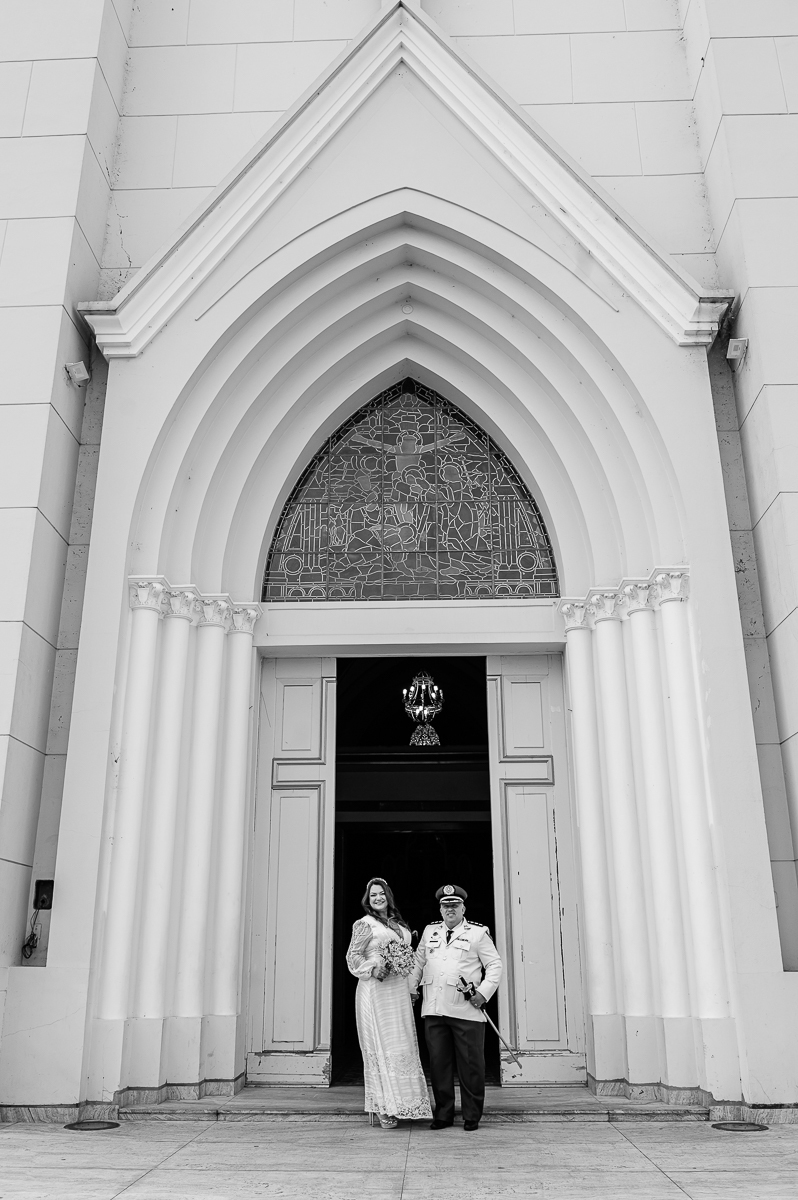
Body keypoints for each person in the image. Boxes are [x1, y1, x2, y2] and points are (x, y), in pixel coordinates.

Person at [409, 884, 502, 1132]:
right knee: (439, 1064)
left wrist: (483, 993)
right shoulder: (430, 931)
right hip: (434, 1007)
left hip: (466, 1010)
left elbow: (494, 965)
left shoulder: (478, 933)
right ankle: (444, 1114)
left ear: (463, 908)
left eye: (454, 905)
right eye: (446, 906)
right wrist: (411, 988)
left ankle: (471, 1115)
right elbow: (418, 962)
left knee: (471, 1065)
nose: (450, 909)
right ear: (440, 909)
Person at [346, 877, 432, 1128]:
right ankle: (382, 1107)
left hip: (397, 989)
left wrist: (411, 986)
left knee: (400, 1042)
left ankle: (403, 1102)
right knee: (380, 1045)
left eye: (381, 893)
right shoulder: (365, 924)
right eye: (373, 895)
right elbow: (353, 955)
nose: (378, 898)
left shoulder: (398, 922)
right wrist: (372, 969)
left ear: (388, 896)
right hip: (375, 988)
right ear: (368, 899)